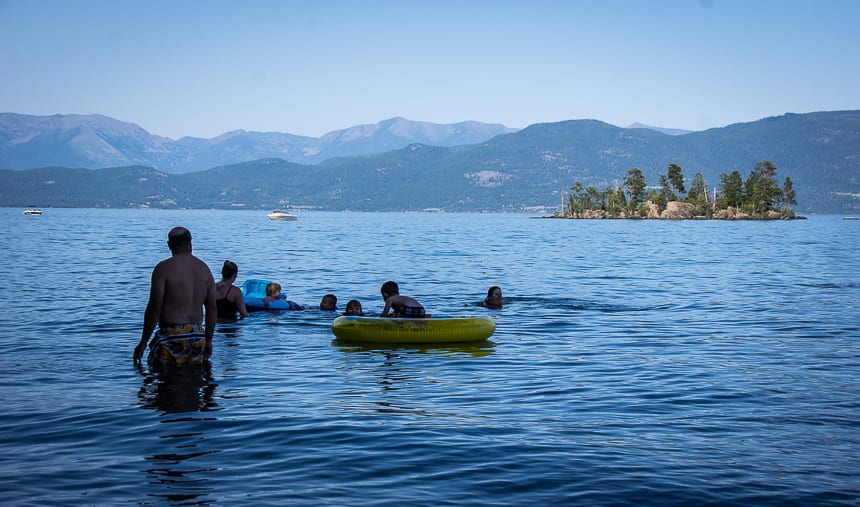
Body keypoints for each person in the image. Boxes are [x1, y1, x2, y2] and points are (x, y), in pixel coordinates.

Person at [134, 227, 217, 366]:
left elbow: (154, 308)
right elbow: (212, 309)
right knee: (193, 383)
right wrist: (208, 340)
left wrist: (143, 342)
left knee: (164, 382)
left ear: (169, 245)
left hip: (171, 335)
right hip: (197, 335)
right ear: (190, 243)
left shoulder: (163, 269)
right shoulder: (204, 269)